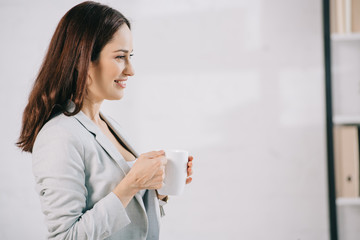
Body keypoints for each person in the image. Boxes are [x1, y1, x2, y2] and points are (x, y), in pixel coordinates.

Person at [17, 1, 194, 239]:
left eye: (130, 56)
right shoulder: (59, 135)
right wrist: (131, 183)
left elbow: (131, 221)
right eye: (120, 57)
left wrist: (157, 189)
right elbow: (65, 236)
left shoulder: (109, 125)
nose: (131, 70)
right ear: (84, 59)